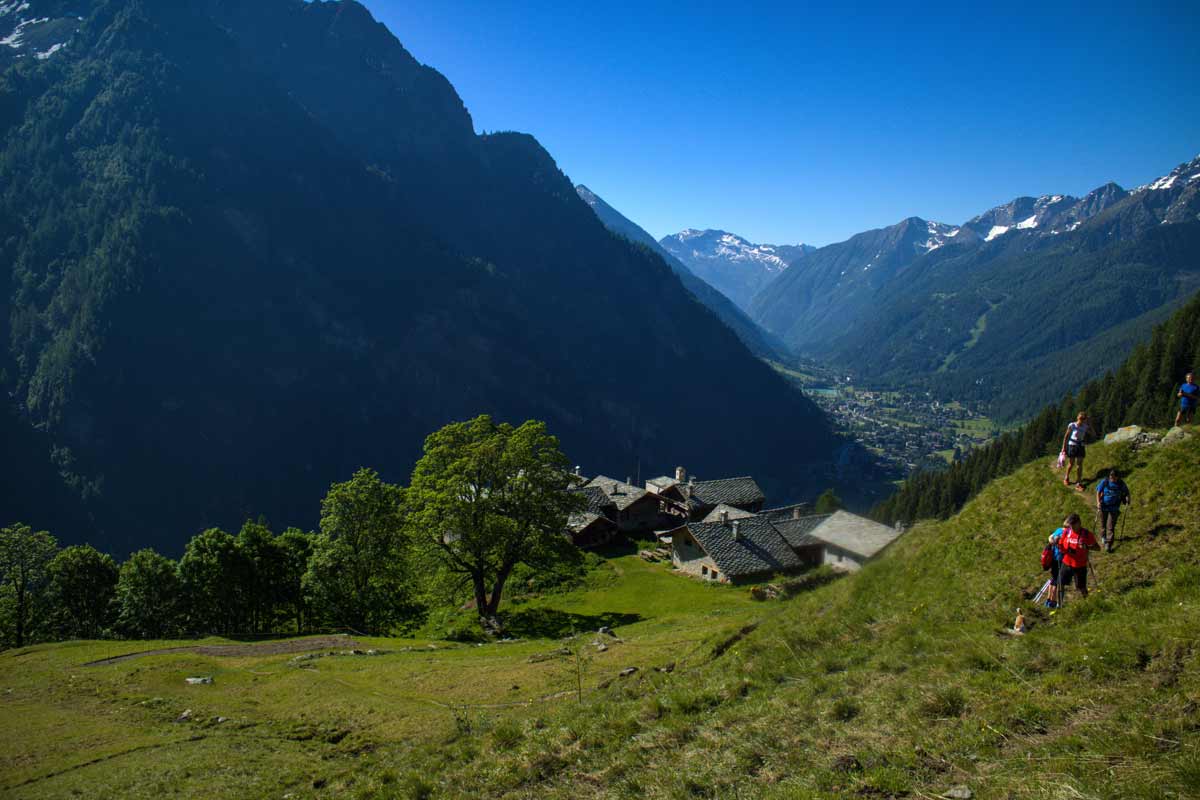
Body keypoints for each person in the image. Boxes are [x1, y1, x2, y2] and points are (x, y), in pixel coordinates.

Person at [1056, 513, 1100, 601]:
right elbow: (1061, 544)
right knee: (1060, 583)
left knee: (1081, 587)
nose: (1071, 527)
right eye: (1070, 525)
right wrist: (1057, 541)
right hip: (1066, 562)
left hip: (1079, 565)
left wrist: (1087, 547)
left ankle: (1088, 602)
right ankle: (1059, 604)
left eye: (1073, 525)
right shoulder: (1067, 531)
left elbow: (1098, 548)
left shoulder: (1087, 534)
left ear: (1079, 523)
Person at [1094, 469, 1131, 552]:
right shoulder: (1105, 482)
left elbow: (1127, 492)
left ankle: (1109, 544)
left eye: (1114, 478)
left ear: (1117, 477)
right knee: (1103, 524)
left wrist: (1128, 498)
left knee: (1110, 527)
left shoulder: (1121, 483)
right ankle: (1103, 537)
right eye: (1111, 477)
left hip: (1114, 508)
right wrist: (1098, 502)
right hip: (1104, 506)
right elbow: (1098, 491)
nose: (1112, 479)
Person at [1060, 412, 1093, 490]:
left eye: (1083, 419)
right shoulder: (1072, 425)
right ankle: (1066, 478)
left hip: (1080, 445)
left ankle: (1078, 483)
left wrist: (1090, 425)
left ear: (1085, 420)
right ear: (1077, 418)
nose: (1081, 420)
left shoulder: (1085, 426)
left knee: (1079, 464)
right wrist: (1063, 447)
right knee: (1071, 464)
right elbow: (1066, 436)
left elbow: (1093, 434)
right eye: (1080, 418)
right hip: (1072, 445)